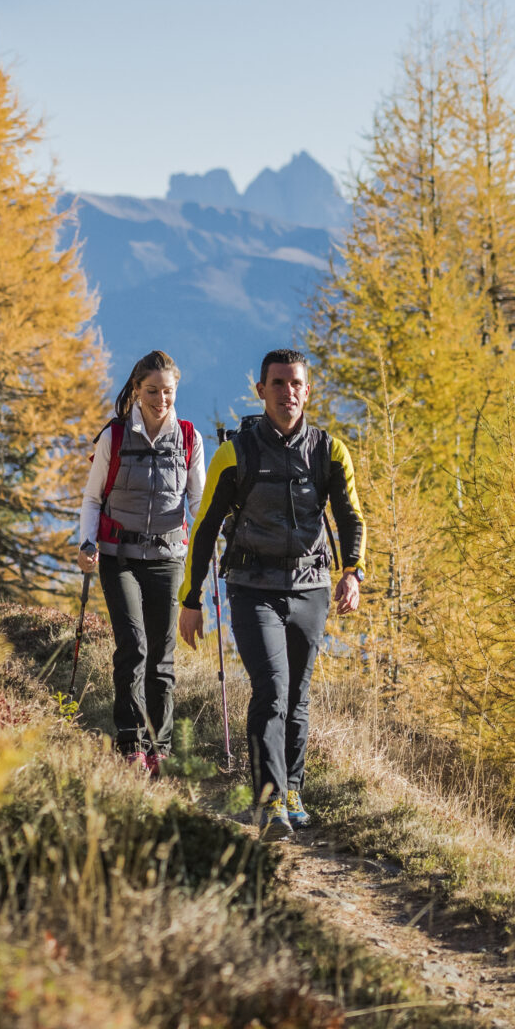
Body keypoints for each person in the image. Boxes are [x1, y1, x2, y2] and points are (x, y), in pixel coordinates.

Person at [178, 348, 365, 839]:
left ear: (308, 389)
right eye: (278, 384)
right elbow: (204, 527)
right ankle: (269, 802)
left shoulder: (329, 451)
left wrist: (353, 573)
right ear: (260, 391)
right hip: (251, 589)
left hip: (311, 588)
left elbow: (350, 517)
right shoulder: (235, 453)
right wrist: (191, 599)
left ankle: (293, 788)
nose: (288, 392)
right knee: (272, 690)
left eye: (296, 383)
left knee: (298, 696)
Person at [74, 349, 206, 774]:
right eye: (152, 391)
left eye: (167, 391)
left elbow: (199, 502)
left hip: (169, 558)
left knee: (162, 655)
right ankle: (130, 741)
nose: (160, 399)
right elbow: (93, 498)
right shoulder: (113, 436)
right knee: (133, 647)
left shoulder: (189, 438)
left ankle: (159, 745)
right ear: (136, 390)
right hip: (119, 557)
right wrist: (87, 543)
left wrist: (209, 546)